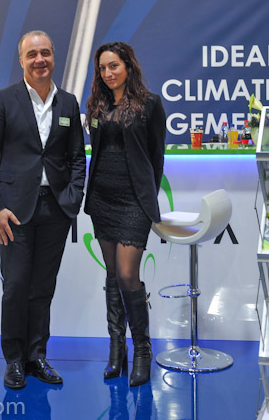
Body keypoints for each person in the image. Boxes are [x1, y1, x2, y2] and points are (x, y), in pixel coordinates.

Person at [0, 30, 86, 389]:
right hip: (13, 211)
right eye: (32, 54)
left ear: (54, 56)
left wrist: (73, 199)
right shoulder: (2, 100)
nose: (40, 60)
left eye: (46, 53)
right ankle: (14, 360)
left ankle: (37, 356)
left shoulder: (68, 103)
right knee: (16, 286)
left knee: (42, 288)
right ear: (21, 60)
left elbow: (76, 157)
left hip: (55, 209)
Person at [85, 41, 166, 387]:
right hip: (102, 198)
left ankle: (142, 350)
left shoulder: (150, 104)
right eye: (103, 68)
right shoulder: (97, 105)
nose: (108, 73)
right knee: (112, 274)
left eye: (114, 66)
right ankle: (116, 349)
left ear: (128, 66)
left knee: (128, 274)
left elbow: (156, 157)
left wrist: (146, 196)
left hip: (134, 202)